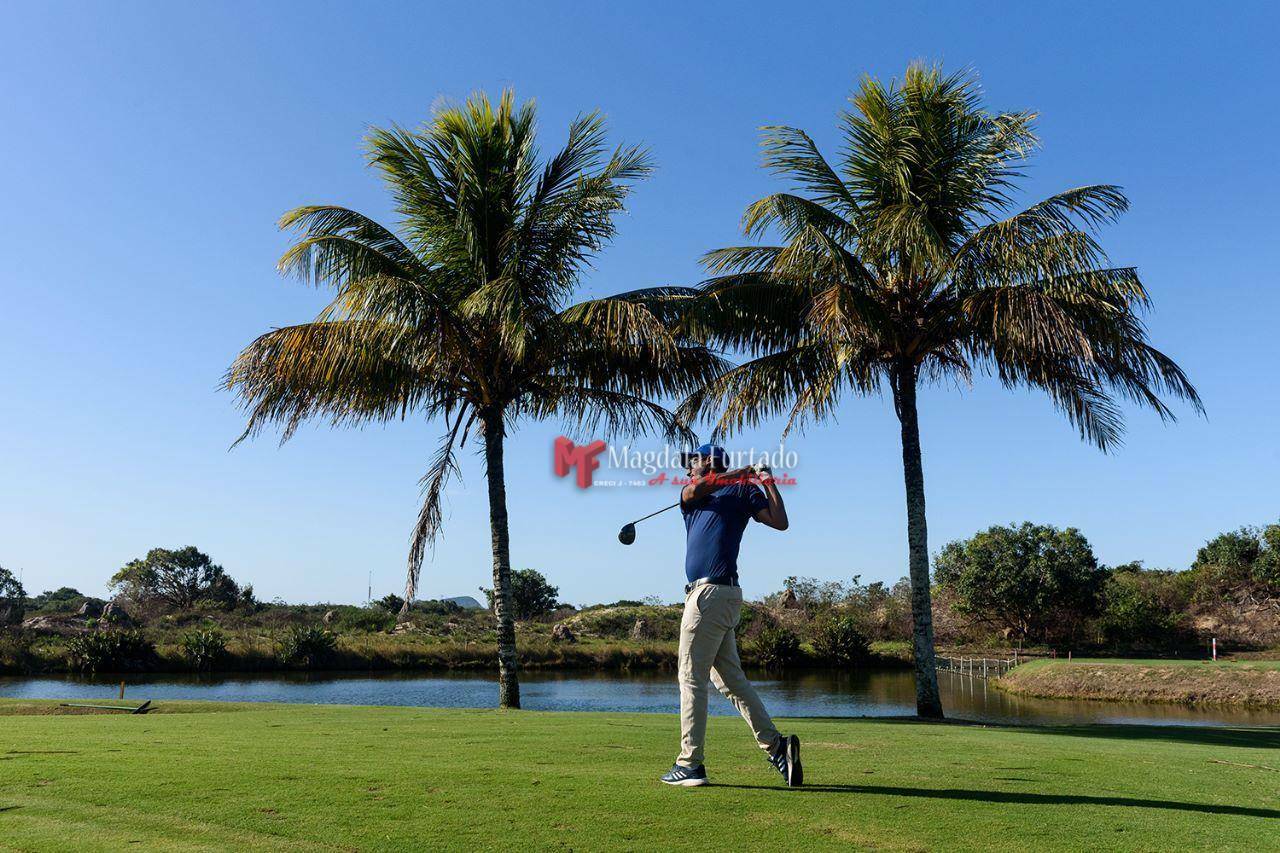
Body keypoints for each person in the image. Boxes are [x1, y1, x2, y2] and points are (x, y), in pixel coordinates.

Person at [659, 444, 801, 788]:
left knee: (691, 678)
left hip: (709, 596)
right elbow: (701, 486)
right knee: (730, 681)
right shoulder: (692, 495)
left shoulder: (743, 491)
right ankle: (777, 747)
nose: (686, 471)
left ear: (707, 461)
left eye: (691, 464)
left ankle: (690, 763)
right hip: (721, 597)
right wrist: (747, 471)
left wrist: (768, 481)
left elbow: (780, 522)